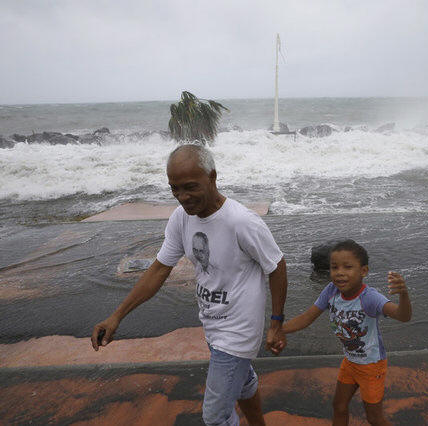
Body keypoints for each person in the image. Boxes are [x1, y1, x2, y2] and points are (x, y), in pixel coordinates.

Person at [91, 144, 288, 426]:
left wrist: (276, 322)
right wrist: (116, 316)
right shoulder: (181, 218)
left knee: (216, 417)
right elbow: (159, 269)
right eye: (175, 188)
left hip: (237, 334)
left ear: (212, 177)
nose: (182, 197)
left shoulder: (242, 222)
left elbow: (277, 266)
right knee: (243, 383)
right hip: (212, 324)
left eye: (190, 187)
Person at [282, 240, 412, 426]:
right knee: (339, 406)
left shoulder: (369, 298)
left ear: (363, 271)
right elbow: (307, 317)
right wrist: (278, 330)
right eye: (334, 267)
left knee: (374, 418)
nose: (340, 272)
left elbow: (403, 316)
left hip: (371, 366)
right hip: (350, 362)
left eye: (348, 267)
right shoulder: (331, 291)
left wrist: (404, 295)